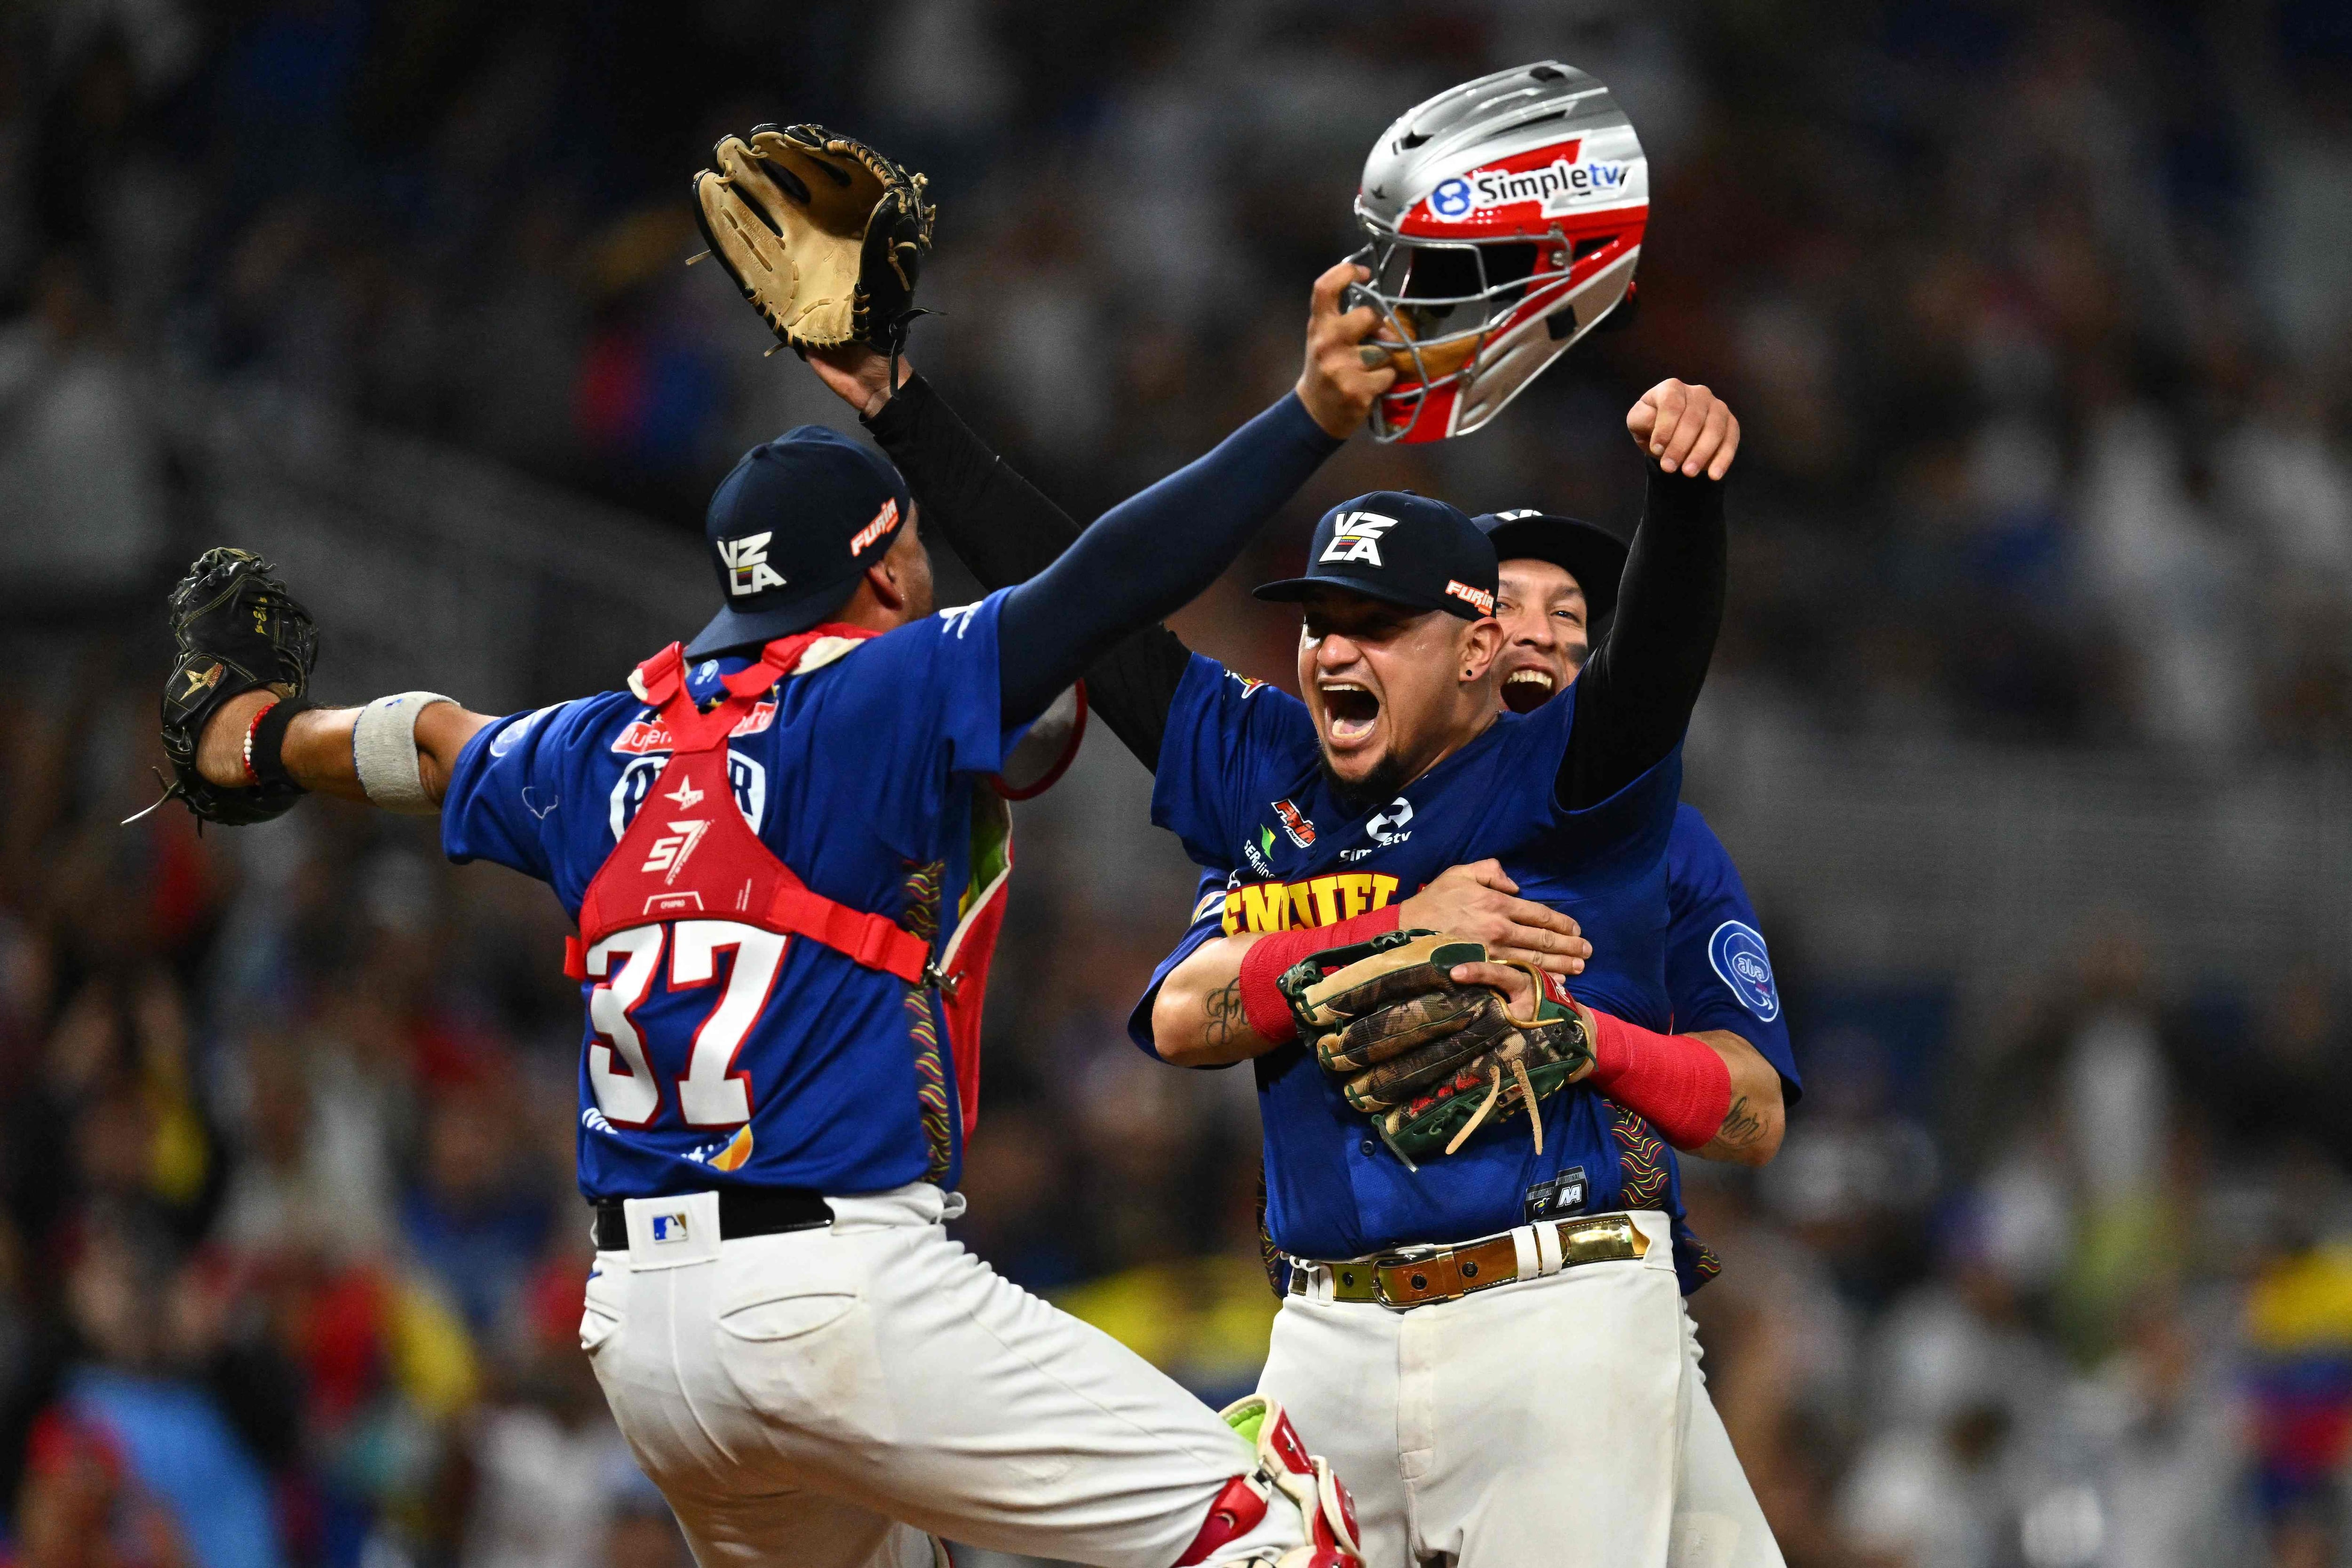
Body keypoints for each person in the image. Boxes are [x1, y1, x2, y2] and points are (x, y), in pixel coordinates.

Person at [171, 263, 1395, 1568]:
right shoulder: (871, 697)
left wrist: (260, 740)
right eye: (913, 538)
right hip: (835, 1297)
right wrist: (1308, 414)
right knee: (1272, 1536)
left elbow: (427, 742)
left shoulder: (600, 745)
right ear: (880, 561)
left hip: (641, 1333)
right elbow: (1111, 579)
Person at [790, 341, 1782, 1565]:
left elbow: (1658, 665)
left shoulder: (1570, 780)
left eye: (1376, 623)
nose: (1332, 650)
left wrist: (1685, 495)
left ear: (1476, 651)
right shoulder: (1263, 772)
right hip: (1328, 1336)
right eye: (1318, 620)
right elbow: (1090, 605)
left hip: (1548, 1308)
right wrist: (906, 410)